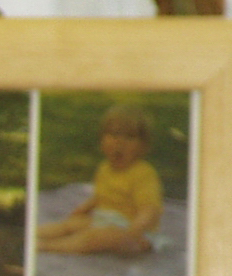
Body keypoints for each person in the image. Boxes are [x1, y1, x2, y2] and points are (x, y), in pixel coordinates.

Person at [38, 105, 163, 257]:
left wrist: (134, 231)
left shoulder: (143, 173)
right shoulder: (104, 168)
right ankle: (31, 234)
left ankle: (47, 246)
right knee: (70, 225)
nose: (120, 142)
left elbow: (149, 210)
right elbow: (100, 197)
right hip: (104, 220)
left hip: (133, 230)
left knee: (93, 237)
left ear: (143, 147)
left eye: (130, 137)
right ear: (102, 141)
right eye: (114, 135)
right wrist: (83, 209)